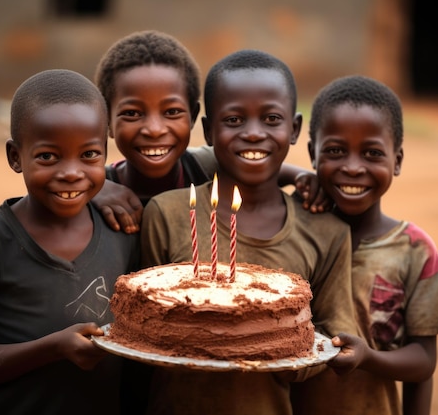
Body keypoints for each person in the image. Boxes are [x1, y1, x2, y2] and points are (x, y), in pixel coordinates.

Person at [139, 49, 357, 415]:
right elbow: (143, 325)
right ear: (209, 131)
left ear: (295, 128)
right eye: (235, 119)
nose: (253, 133)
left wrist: (268, 348)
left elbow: (334, 336)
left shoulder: (326, 231)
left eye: (271, 118)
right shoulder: (167, 213)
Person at [0, 69, 140, 415]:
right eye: (48, 156)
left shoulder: (121, 230)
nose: (71, 172)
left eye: (89, 155)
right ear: (15, 157)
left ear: (106, 154)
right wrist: (54, 348)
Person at [291, 75, 438, 415]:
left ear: (397, 161)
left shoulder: (414, 251)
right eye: (335, 151)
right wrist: (292, 177)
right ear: (312, 154)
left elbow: (423, 362)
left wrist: (369, 358)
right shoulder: (291, 231)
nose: (353, 167)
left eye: (372, 153)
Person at [91, 30, 324, 234]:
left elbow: (254, 158)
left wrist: (299, 177)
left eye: (171, 111)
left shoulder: (201, 166)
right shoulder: (100, 184)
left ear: (193, 117)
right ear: (107, 122)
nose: (154, 129)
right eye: (132, 114)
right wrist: (95, 190)